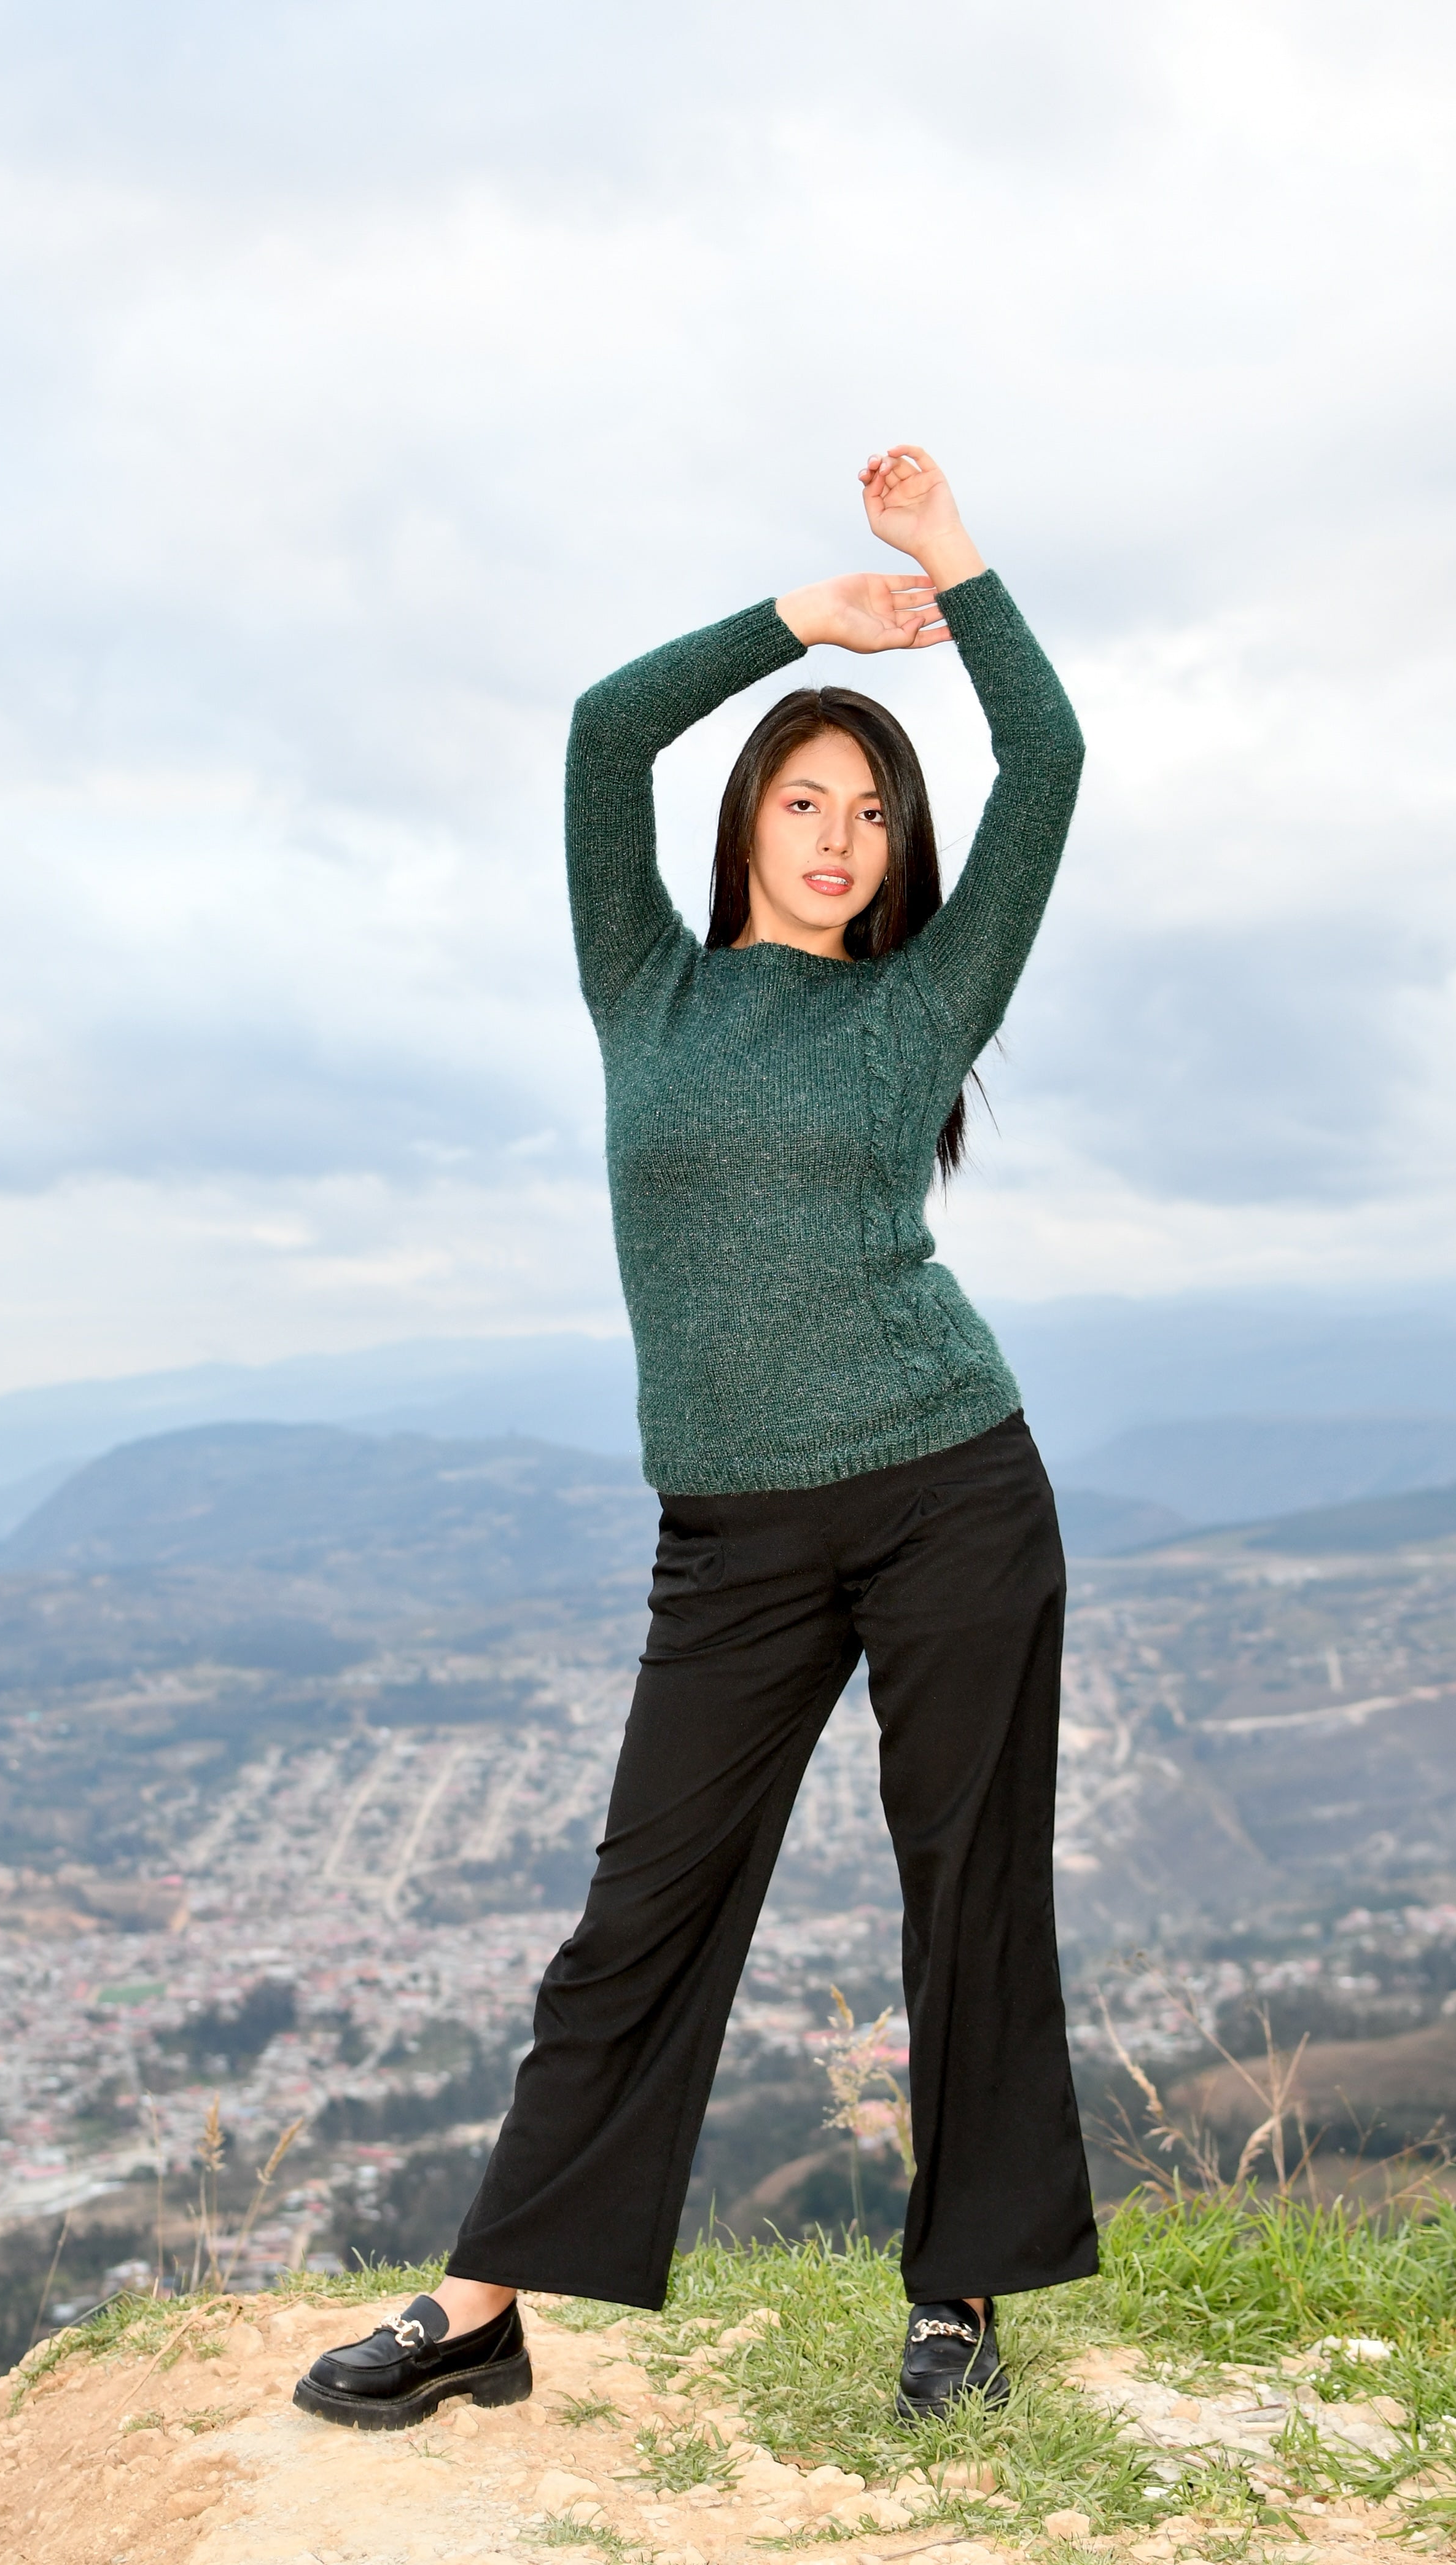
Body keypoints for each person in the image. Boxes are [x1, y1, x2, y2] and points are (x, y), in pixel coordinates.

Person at [295, 444, 1097, 2434]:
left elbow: (1054, 759)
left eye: (869, 811)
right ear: (750, 814)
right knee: (639, 1912)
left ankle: (964, 2299)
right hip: (732, 1536)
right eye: (805, 799)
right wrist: (799, 628)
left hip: (948, 1492)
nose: (837, 836)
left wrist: (957, 574)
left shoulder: (919, 1003)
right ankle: (485, 2308)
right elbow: (594, 736)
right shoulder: (640, 981)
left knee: (966, 1893)